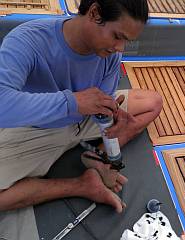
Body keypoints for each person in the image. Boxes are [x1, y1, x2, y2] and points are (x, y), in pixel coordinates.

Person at [0, 0, 162, 213]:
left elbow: (101, 102)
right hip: (40, 127)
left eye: (126, 41)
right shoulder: (27, 40)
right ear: (95, 13)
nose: (120, 48)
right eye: (117, 36)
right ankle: (82, 185)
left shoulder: (110, 55)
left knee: (153, 103)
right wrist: (73, 102)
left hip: (85, 117)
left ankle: (96, 158)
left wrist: (111, 119)